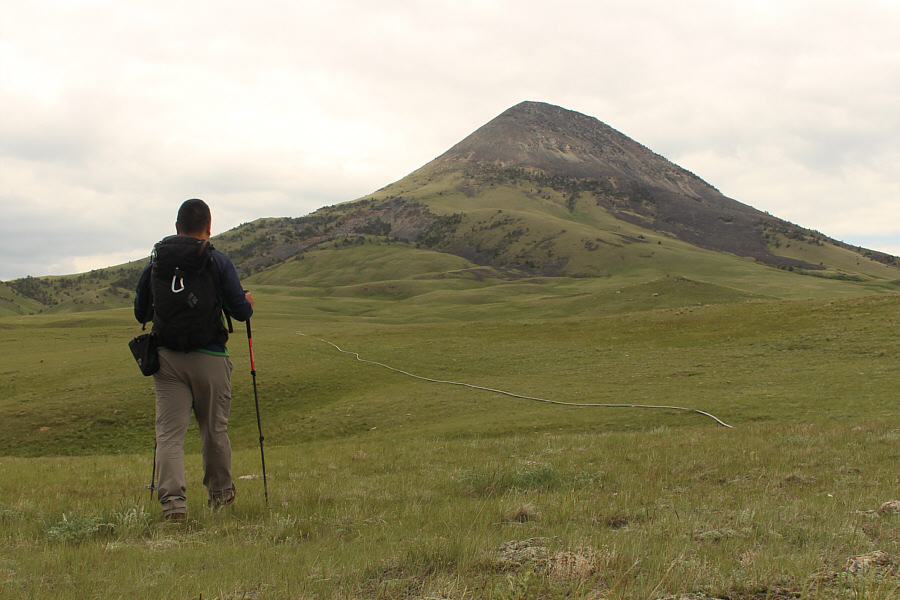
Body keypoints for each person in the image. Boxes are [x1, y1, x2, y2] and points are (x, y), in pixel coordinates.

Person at [134, 198, 254, 521]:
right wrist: (246, 302)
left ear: (176, 228)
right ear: (209, 227)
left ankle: (173, 507)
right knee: (213, 430)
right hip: (211, 357)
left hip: (167, 359)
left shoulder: (156, 263)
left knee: (169, 435)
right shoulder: (217, 261)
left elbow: (140, 312)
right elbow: (241, 313)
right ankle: (220, 498)